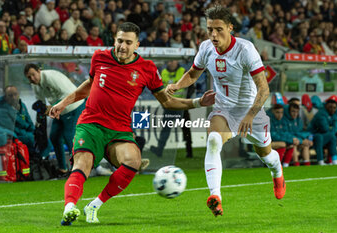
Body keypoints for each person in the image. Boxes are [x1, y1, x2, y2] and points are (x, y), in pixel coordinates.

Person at [48, 22, 215, 225]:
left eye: (128, 42)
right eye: (119, 41)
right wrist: (63, 103)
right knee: (82, 164)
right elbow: (88, 87)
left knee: (133, 162)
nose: (122, 46)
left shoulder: (147, 69)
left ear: (137, 45)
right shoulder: (100, 57)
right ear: (114, 40)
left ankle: (94, 205)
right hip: (91, 124)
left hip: (120, 130)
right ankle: (69, 208)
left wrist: (197, 102)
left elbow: (167, 101)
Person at [166, 6, 285, 217]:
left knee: (265, 155)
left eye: (218, 29)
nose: (213, 34)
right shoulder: (205, 48)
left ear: (230, 28)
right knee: (212, 140)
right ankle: (215, 197)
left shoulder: (245, 49)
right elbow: (194, 73)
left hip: (251, 111)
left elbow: (264, 88)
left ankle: (277, 172)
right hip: (224, 109)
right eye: (209, 29)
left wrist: (250, 115)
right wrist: (177, 85)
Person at [24, 64, 85, 175]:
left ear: (39, 71)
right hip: (60, 110)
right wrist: (41, 110)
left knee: (69, 137)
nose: (32, 78)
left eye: (33, 74)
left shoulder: (51, 77)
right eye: (29, 77)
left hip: (74, 105)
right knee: (54, 137)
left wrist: (53, 107)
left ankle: (79, 169)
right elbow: (41, 101)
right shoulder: (35, 85)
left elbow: (68, 94)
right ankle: (62, 168)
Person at [150, 60, 193, 158]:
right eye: (169, 61)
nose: (171, 63)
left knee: (185, 129)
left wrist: (185, 100)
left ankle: (189, 151)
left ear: (177, 61)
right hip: (169, 106)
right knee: (165, 128)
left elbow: (191, 87)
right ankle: (159, 150)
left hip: (182, 105)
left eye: (173, 61)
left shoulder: (183, 71)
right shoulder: (163, 72)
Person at [0, 86, 35, 154]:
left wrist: (33, 132)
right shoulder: (1, 110)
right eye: (10, 95)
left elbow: (29, 122)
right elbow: (9, 130)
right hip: (13, 138)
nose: (13, 97)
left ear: (18, 94)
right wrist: (28, 135)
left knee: (42, 139)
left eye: (15, 94)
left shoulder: (22, 106)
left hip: (26, 136)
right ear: (5, 97)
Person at [307, 99, 337, 165]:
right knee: (320, 136)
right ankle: (320, 160)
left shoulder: (334, 114)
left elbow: (336, 126)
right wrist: (332, 128)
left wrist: (332, 128)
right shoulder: (321, 114)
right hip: (312, 137)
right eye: (330, 107)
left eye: (334, 108)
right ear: (326, 106)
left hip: (324, 136)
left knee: (332, 136)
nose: (332, 109)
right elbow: (325, 129)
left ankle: (334, 160)